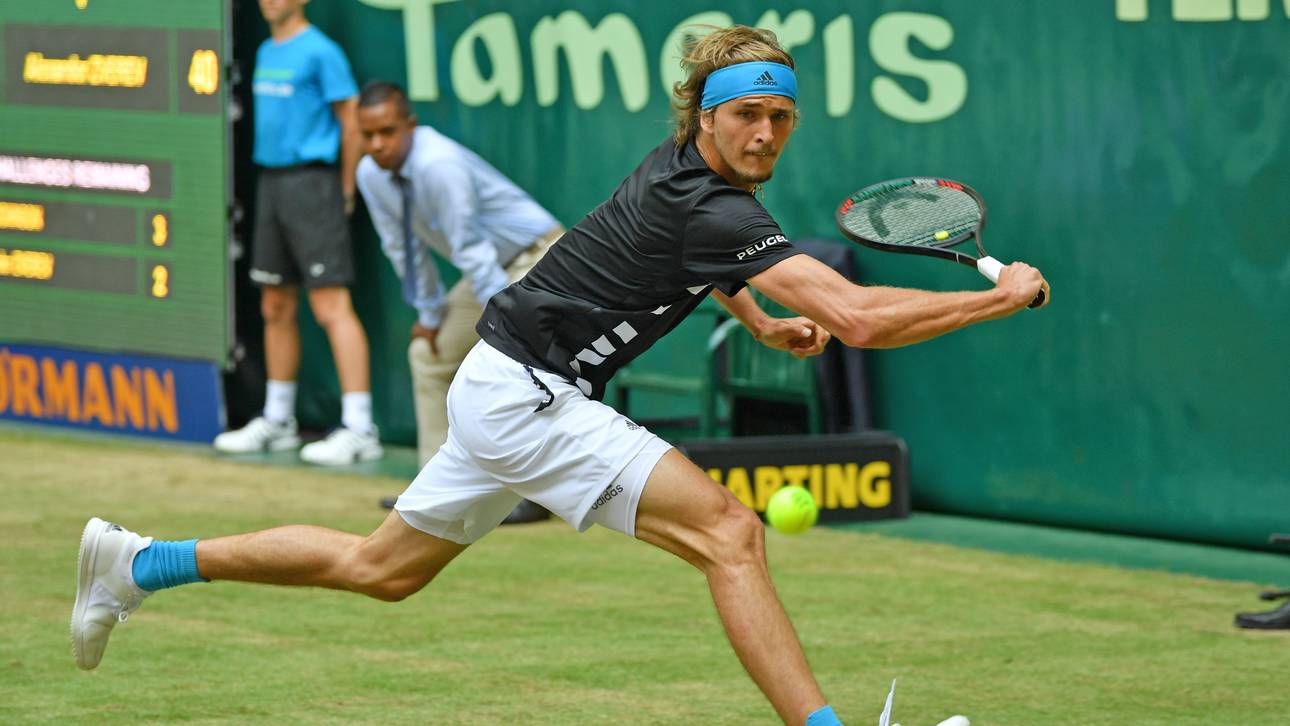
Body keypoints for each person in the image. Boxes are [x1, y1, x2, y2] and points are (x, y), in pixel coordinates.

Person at [71, 26, 1048, 726]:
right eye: (747, 114)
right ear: (707, 119)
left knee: (381, 570)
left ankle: (138, 562)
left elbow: (688, 263)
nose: (765, 134)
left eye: (781, 118)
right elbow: (861, 319)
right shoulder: (716, 208)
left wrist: (756, 315)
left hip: (500, 386)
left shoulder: (684, 173)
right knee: (731, 535)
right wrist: (995, 302)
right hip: (530, 394)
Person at [355, 79, 559, 523]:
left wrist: (506, 321)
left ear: (410, 126)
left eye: (387, 132)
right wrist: (429, 313)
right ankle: (436, 490)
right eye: (367, 135)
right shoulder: (370, 174)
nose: (377, 144)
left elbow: (469, 247)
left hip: (536, 257)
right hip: (489, 270)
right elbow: (401, 248)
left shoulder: (438, 164)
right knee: (427, 354)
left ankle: (529, 495)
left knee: (515, 366)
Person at [212, 0, 382, 466]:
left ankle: (360, 426)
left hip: (314, 184)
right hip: (272, 184)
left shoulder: (322, 51)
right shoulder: (266, 50)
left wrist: (344, 188)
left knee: (330, 306)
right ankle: (279, 418)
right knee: (274, 304)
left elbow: (350, 121)